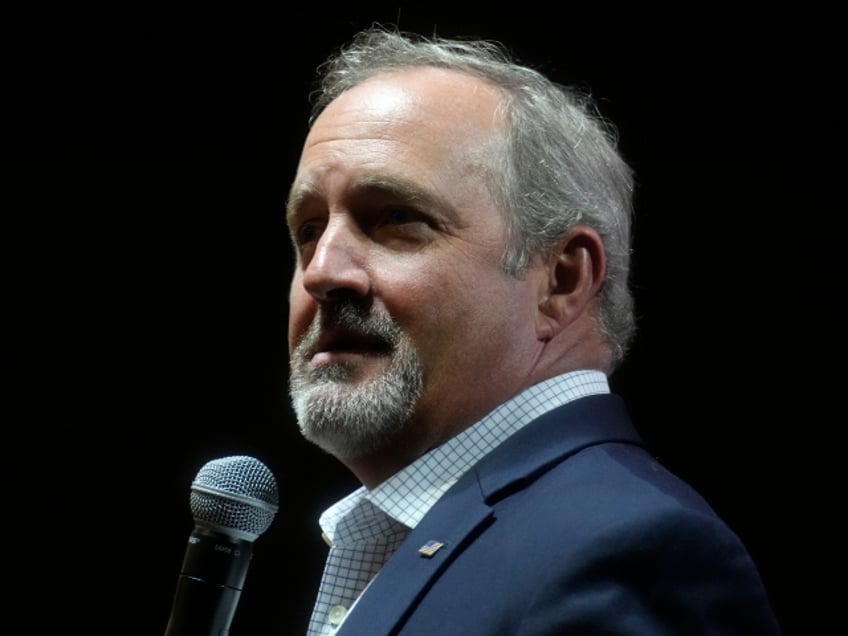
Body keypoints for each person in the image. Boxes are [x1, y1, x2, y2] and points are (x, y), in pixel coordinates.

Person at [284, 25, 782, 635]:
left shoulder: (625, 553)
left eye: (396, 220)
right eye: (308, 231)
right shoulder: (451, 536)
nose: (323, 272)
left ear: (563, 280)